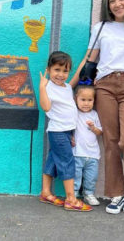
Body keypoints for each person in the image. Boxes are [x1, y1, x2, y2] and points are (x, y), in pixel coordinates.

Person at [71, 0, 124, 215]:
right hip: (105, 86)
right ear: (107, 5)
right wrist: (70, 87)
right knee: (110, 142)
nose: (117, 4)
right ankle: (116, 194)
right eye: (112, 0)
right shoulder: (101, 28)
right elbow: (89, 61)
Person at [39, 51, 92, 212]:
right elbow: (46, 107)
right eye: (57, 70)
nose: (61, 75)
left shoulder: (68, 87)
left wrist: (86, 57)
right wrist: (42, 86)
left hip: (66, 132)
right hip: (57, 132)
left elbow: (77, 74)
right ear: (48, 69)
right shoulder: (48, 86)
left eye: (65, 71)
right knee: (67, 161)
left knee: (53, 161)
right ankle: (71, 199)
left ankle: (46, 192)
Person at [71, 85, 103, 206]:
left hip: (93, 154)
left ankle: (88, 194)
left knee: (91, 177)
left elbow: (100, 132)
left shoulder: (95, 115)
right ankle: (73, 194)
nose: (86, 103)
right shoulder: (75, 113)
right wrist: (70, 136)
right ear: (76, 99)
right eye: (83, 100)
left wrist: (93, 127)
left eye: (90, 100)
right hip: (77, 152)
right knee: (75, 175)